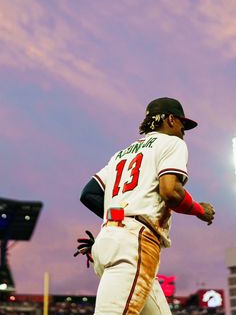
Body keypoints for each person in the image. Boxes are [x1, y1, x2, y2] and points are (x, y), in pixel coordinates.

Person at [78, 97, 215, 315]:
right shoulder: (172, 143)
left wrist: (115, 227)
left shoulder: (121, 154)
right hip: (135, 246)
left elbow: (89, 194)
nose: (183, 131)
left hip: (112, 242)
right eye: (182, 123)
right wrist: (200, 210)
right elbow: (170, 191)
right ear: (170, 119)